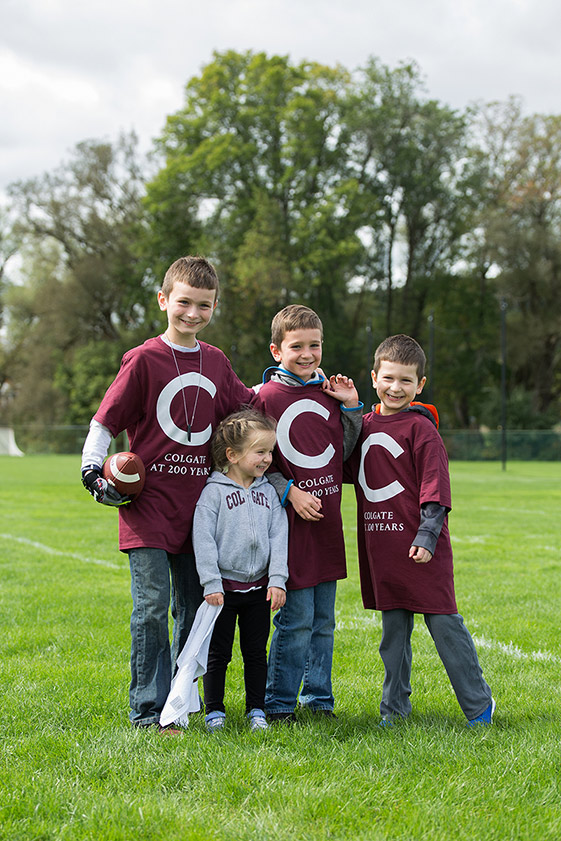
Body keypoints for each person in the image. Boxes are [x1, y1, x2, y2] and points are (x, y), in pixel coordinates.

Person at [80, 256, 254, 731]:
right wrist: (91, 471)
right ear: (163, 300)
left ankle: (178, 704)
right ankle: (145, 710)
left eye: (204, 305)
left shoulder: (216, 361)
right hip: (148, 507)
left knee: (195, 609)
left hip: (200, 510)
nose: (193, 313)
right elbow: (105, 421)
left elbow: (251, 404)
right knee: (153, 608)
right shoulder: (143, 359)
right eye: (184, 302)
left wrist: (300, 384)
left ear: (214, 306)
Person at [347, 333, 494, 726]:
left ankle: (479, 706)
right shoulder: (362, 425)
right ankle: (393, 710)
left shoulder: (422, 430)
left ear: (420, 385)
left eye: (406, 380)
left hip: (420, 545)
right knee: (393, 634)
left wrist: (427, 536)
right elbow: (337, 464)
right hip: (382, 545)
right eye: (389, 378)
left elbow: (436, 488)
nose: (396, 388)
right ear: (374, 377)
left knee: (444, 623)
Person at [252, 304, 362, 722]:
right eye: (296, 346)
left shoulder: (329, 395)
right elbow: (258, 461)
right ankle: (278, 704)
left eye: (314, 345)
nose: (307, 354)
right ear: (276, 350)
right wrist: (289, 492)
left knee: (323, 621)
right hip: (289, 525)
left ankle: (318, 700)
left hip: (327, 523)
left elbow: (345, 453)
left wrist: (351, 407)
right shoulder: (265, 397)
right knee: (294, 621)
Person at [193, 409, 289, 732]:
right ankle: (214, 710)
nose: (267, 459)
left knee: (255, 654)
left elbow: (279, 535)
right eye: (260, 452)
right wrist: (211, 582)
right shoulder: (213, 493)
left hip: (258, 591)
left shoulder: (268, 493)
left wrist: (277, 580)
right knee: (218, 654)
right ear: (232, 455)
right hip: (223, 592)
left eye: (270, 452)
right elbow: (203, 539)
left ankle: (256, 710)